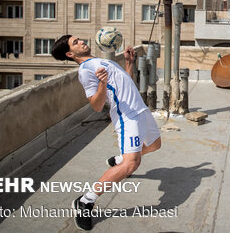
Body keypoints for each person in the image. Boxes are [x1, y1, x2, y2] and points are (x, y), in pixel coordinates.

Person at [51, 35, 162, 230]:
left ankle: (120, 160)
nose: (81, 41)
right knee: (132, 164)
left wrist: (129, 63)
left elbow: (125, 82)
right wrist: (102, 83)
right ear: (70, 54)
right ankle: (85, 201)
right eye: (75, 43)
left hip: (140, 109)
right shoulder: (85, 71)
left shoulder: (101, 60)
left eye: (79, 39)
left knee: (155, 144)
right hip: (127, 116)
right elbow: (96, 105)